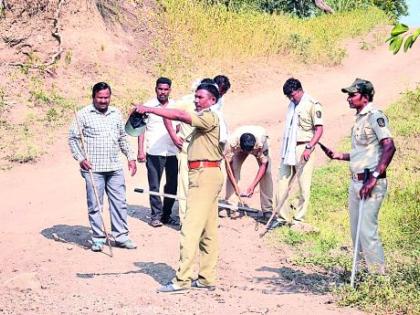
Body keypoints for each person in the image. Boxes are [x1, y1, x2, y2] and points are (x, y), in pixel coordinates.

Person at [135, 83, 224, 293]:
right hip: (207, 174)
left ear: (212, 100)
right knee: (208, 231)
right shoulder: (205, 119)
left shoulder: (209, 116)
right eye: (196, 96)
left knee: (190, 229)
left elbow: (179, 115)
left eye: (200, 97)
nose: (196, 100)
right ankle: (206, 278)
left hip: (204, 176)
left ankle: (182, 280)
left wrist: (149, 109)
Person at [320, 78, 395, 274]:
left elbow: (389, 146)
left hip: (371, 182)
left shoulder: (375, 116)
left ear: (366, 96)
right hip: (356, 181)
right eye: (348, 95)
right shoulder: (360, 119)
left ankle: (379, 278)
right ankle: (361, 274)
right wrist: (339, 156)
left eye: (352, 95)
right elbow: (364, 152)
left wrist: (374, 178)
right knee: (356, 232)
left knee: (367, 231)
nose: (348, 98)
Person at [68, 82, 137, 252]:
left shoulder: (116, 113)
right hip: (93, 169)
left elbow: (122, 137)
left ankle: (121, 237)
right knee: (95, 204)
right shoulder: (83, 114)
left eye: (106, 97)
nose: (103, 101)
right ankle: (98, 238)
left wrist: (131, 157)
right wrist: (80, 158)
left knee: (119, 203)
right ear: (93, 97)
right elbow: (73, 138)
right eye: (100, 97)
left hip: (114, 166)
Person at [164, 75, 231, 224]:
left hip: (208, 152)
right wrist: (174, 137)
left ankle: (206, 221)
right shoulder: (188, 101)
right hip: (186, 149)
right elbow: (168, 114)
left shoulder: (216, 104)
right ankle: (185, 221)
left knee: (206, 187)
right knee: (185, 186)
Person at [270, 78, 323, 229]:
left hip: (304, 147)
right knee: (282, 182)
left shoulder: (313, 105)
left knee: (304, 185)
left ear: (300, 90)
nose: (291, 99)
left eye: (293, 95)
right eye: (289, 97)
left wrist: (309, 147)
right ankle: (282, 218)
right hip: (289, 149)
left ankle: (299, 219)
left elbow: (319, 130)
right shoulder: (291, 105)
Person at [137, 77, 179, 227]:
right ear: (156, 89)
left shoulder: (176, 106)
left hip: (173, 152)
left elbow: (179, 127)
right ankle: (155, 216)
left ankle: (167, 215)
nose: (163, 92)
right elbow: (141, 129)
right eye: (160, 89)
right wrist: (140, 151)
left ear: (170, 90)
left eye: (166, 89)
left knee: (172, 185)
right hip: (154, 151)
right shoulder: (147, 106)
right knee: (154, 185)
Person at [223, 125, 273, 218]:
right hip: (238, 147)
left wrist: (253, 185)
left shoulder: (262, 141)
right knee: (234, 168)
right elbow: (228, 167)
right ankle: (231, 207)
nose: (248, 154)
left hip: (258, 145)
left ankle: (267, 210)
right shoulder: (230, 143)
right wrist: (235, 185)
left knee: (267, 173)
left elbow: (264, 165)